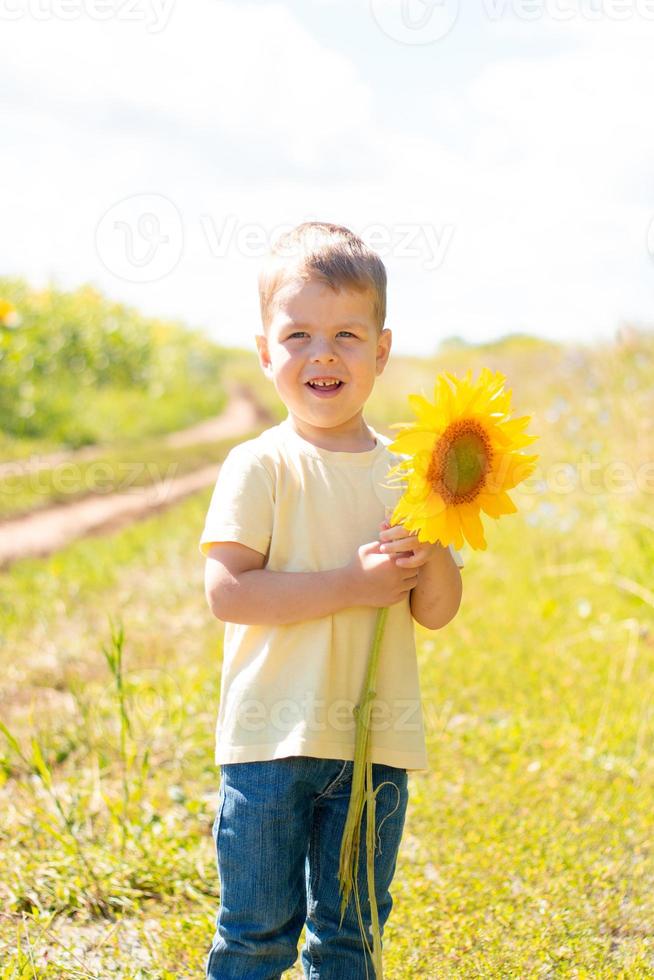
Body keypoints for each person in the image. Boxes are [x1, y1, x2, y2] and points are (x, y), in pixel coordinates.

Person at [199, 221, 464, 979]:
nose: (323, 353)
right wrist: (351, 584)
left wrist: (434, 540)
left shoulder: (411, 474)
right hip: (269, 745)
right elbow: (228, 592)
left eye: (348, 334)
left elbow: (437, 610)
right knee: (256, 932)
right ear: (264, 353)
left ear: (381, 351)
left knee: (351, 935)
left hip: (373, 747)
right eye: (299, 335)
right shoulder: (260, 466)